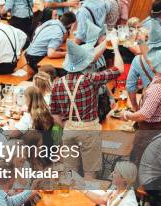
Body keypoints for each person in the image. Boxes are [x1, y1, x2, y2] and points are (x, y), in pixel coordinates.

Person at [50, 38, 123, 179]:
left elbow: (54, 114)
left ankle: (72, 200)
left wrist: (68, 124)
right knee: (90, 173)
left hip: (69, 131)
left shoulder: (57, 83)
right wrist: (115, 45)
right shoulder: (90, 79)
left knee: (71, 174)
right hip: (89, 130)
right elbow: (119, 69)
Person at [124, 45, 161, 163]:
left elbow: (143, 115)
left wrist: (127, 115)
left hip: (148, 131)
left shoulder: (156, 90)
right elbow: (149, 61)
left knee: (139, 161)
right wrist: (141, 42)